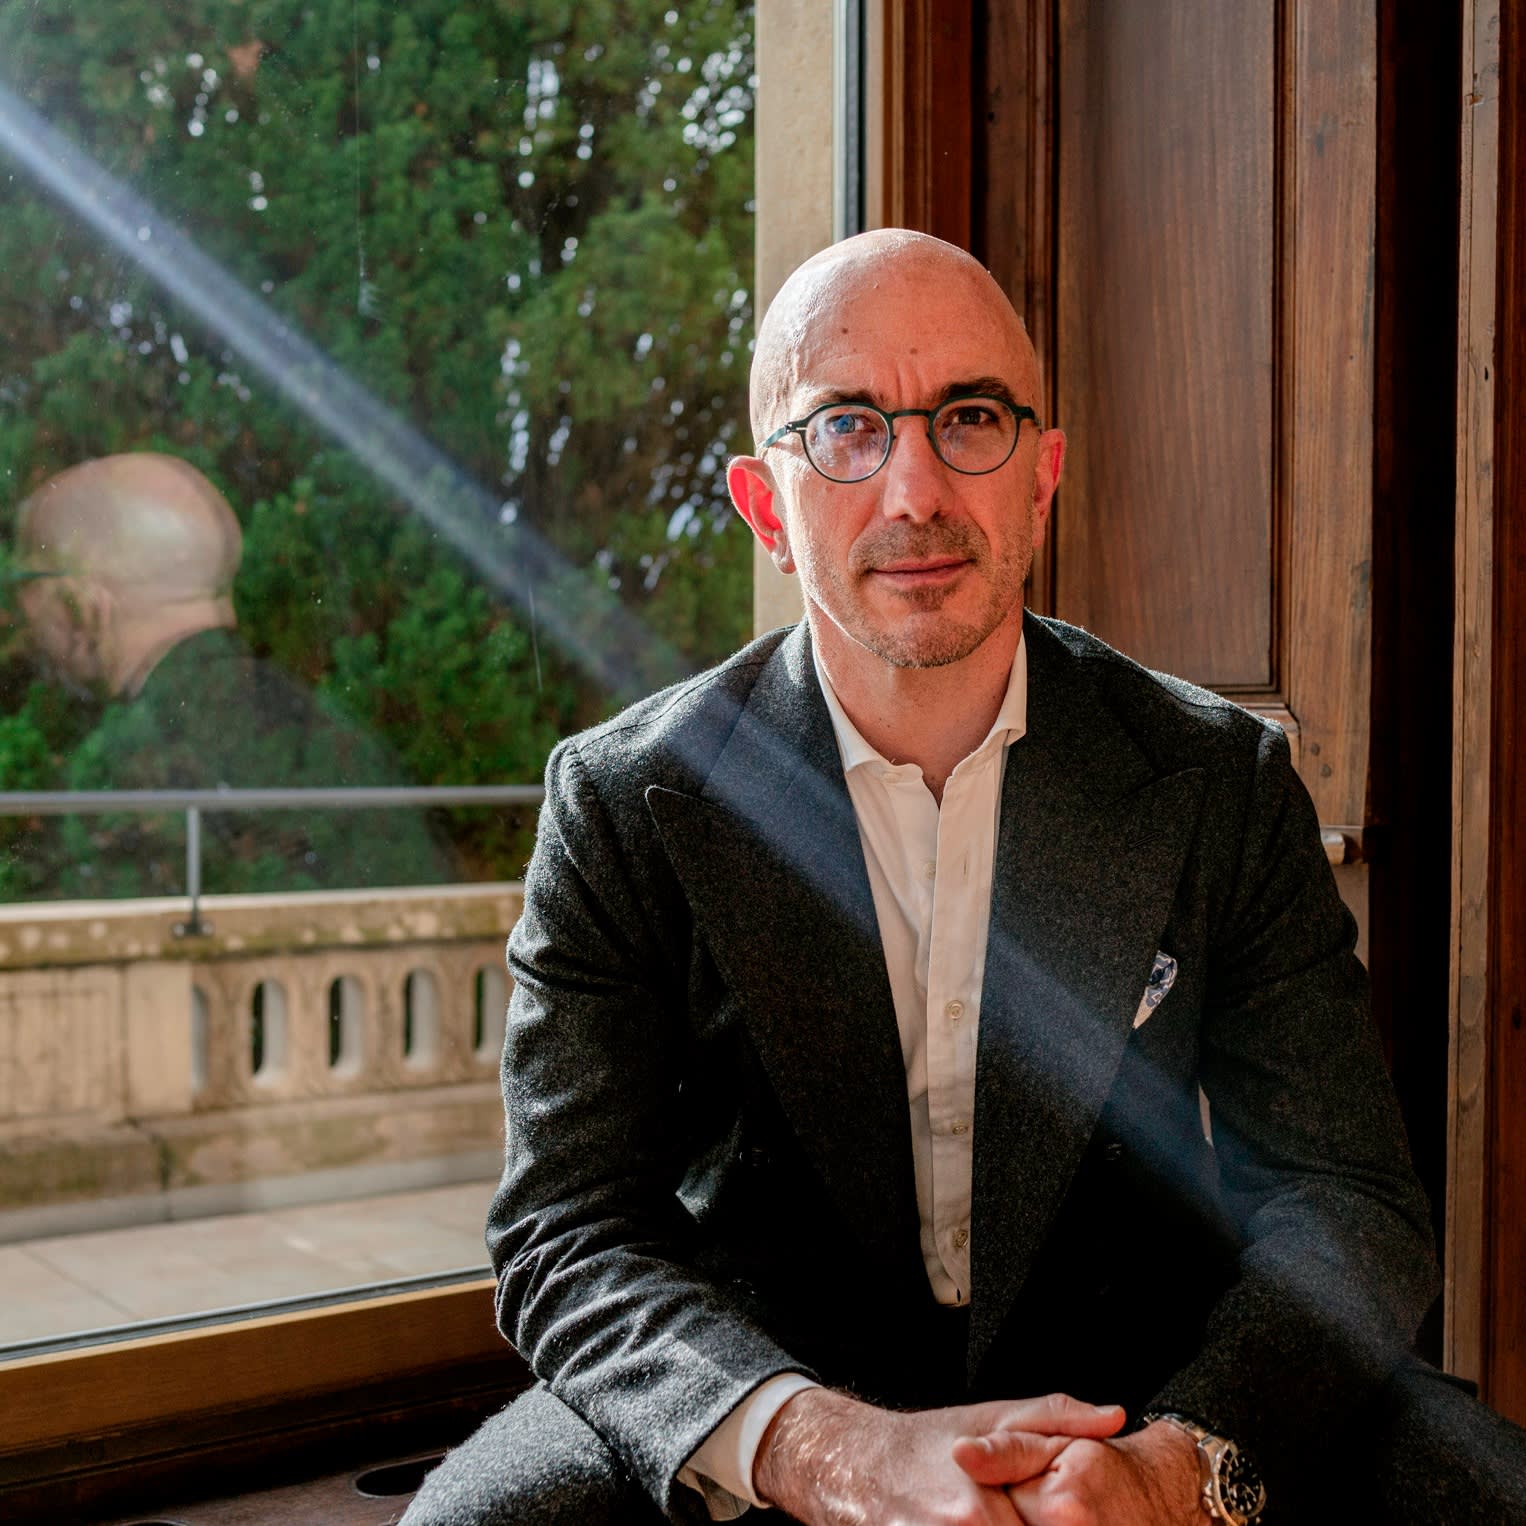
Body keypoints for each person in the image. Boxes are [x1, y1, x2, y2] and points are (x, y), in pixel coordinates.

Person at [403, 231, 1526, 1524]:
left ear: (1040, 479)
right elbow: (566, 1234)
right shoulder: (619, 804)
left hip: (1143, 1384)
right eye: (845, 429)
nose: (915, 490)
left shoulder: (1215, 779)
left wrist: (1174, 1463)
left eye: (970, 418)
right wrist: (840, 1455)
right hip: (775, 1381)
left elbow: (1347, 1200)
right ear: (765, 507)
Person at [14, 452, 453, 895]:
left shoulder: (122, 760)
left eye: (32, 590)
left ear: (85, 605)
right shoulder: (333, 731)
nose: (28, 628)